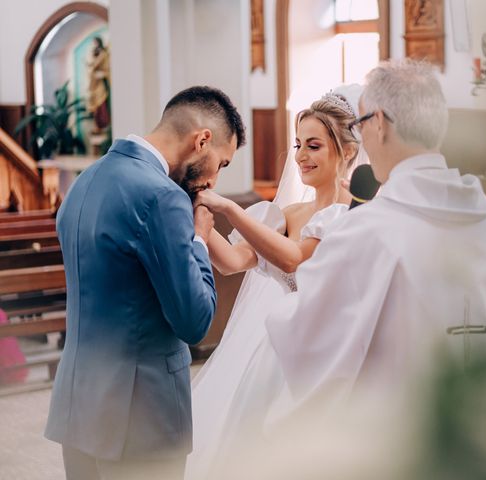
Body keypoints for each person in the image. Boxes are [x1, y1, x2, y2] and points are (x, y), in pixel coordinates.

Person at [264, 59, 486, 424]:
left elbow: (308, 346)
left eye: (360, 124)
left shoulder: (365, 233)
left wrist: (278, 308)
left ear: (380, 123)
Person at [45, 86, 246, 480]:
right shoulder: (162, 197)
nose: (213, 181)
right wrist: (199, 239)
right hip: (141, 419)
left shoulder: (85, 182)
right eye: (221, 164)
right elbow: (195, 320)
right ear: (201, 140)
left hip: (79, 407)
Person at [185, 85, 367, 478]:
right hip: (275, 346)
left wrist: (231, 208)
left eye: (314, 146)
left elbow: (293, 259)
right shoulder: (287, 213)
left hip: (326, 345)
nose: (301, 156)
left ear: (347, 151)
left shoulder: (351, 214)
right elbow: (234, 262)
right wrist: (197, 209)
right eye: (299, 144)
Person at [86, 36, 111, 133]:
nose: (94, 44)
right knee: (95, 104)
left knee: (101, 102)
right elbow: (93, 65)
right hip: (94, 82)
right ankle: (97, 125)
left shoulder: (103, 53)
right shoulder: (94, 52)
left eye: (95, 42)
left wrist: (92, 66)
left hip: (100, 82)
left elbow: (97, 64)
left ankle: (103, 124)